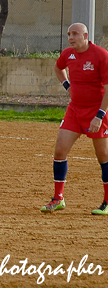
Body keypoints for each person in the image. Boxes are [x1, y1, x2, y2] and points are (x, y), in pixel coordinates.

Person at [41, 23, 108, 215]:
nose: (71, 37)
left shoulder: (101, 55)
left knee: (103, 157)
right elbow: (58, 67)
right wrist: (67, 85)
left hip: (97, 112)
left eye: (75, 34)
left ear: (86, 35)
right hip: (74, 110)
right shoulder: (67, 54)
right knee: (60, 150)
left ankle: (107, 201)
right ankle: (58, 198)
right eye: (69, 34)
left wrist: (99, 116)